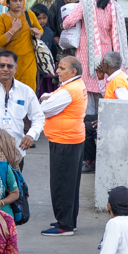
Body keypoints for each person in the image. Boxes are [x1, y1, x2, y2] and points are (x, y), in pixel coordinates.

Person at [61, 0, 128, 171]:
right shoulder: (114, 7)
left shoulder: (85, 3)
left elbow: (67, 23)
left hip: (87, 62)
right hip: (107, 65)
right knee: (105, 113)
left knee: (87, 115)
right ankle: (105, 158)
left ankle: (88, 160)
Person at [40, 56, 87, 236]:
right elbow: (51, 98)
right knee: (71, 184)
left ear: (73, 72)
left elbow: (44, 108)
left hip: (64, 142)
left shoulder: (69, 90)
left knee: (61, 184)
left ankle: (64, 225)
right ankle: (69, 220)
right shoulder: (75, 85)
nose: (57, 71)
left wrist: (45, 100)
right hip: (72, 139)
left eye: (62, 68)